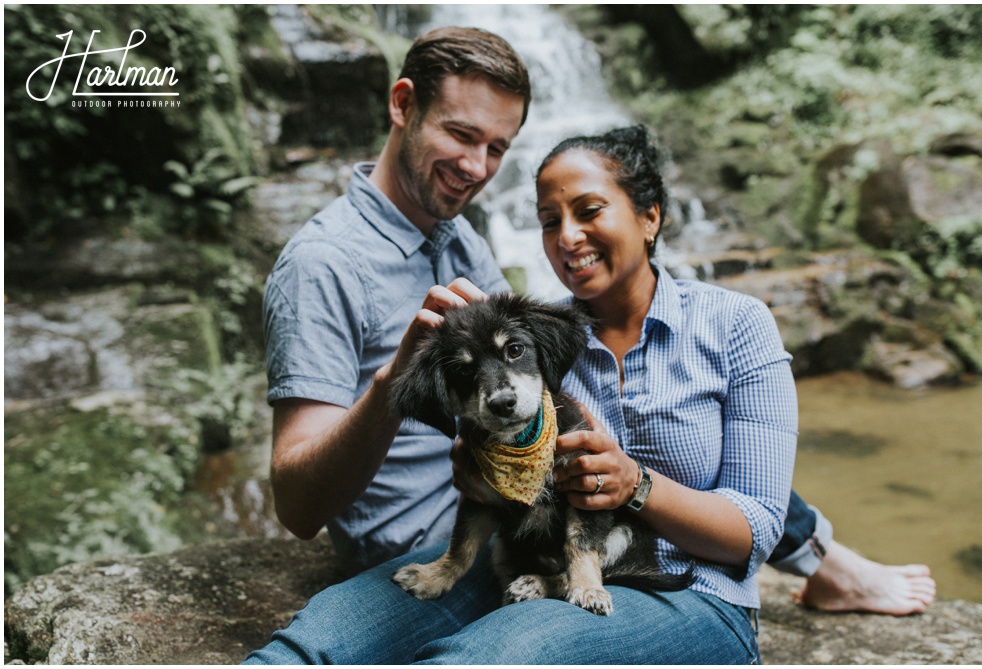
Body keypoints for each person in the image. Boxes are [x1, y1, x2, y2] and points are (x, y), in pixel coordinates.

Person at [246, 27, 933, 663]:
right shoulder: (336, 266)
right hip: (487, 529)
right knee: (313, 641)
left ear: (651, 215)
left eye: (498, 148)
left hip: (649, 568)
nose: (479, 166)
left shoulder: (464, 242)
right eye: (550, 221)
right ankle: (826, 557)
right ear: (403, 105)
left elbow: (732, 508)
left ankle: (824, 556)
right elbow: (310, 498)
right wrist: (434, 409)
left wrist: (629, 481)